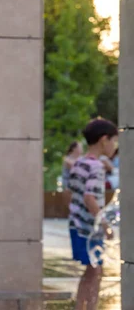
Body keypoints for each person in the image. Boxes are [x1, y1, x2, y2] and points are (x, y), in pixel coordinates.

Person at [68, 118, 118, 310]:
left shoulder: (80, 163)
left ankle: (80, 306)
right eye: (114, 141)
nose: (114, 146)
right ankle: (91, 308)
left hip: (77, 224)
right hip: (89, 229)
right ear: (104, 140)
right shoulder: (96, 166)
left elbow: (74, 191)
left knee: (91, 271)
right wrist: (105, 224)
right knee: (96, 272)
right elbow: (90, 198)